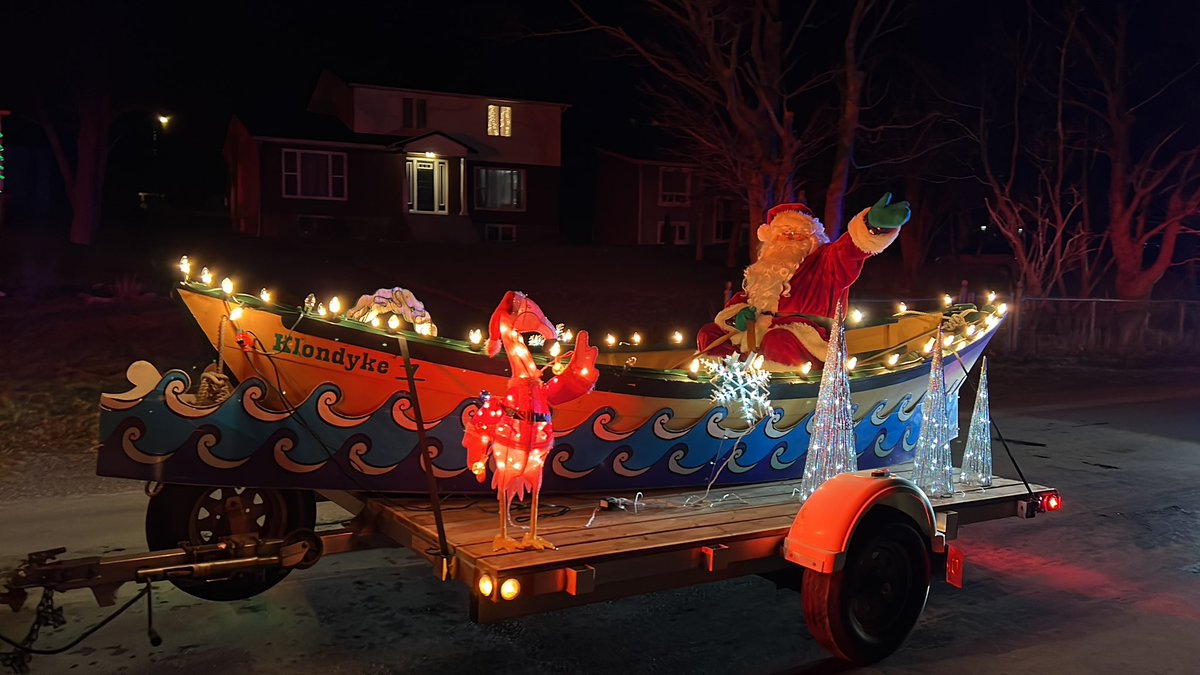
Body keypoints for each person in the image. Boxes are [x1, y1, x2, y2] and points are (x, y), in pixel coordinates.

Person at [696, 194, 910, 368]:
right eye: (783, 234)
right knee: (709, 334)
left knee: (778, 340)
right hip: (753, 337)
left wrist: (872, 226)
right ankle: (718, 385)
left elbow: (851, 249)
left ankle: (781, 397)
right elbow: (739, 302)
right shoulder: (763, 270)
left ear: (812, 238)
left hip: (806, 338)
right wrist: (736, 319)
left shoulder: (826, 262)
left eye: (796, 234)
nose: (789, 239)